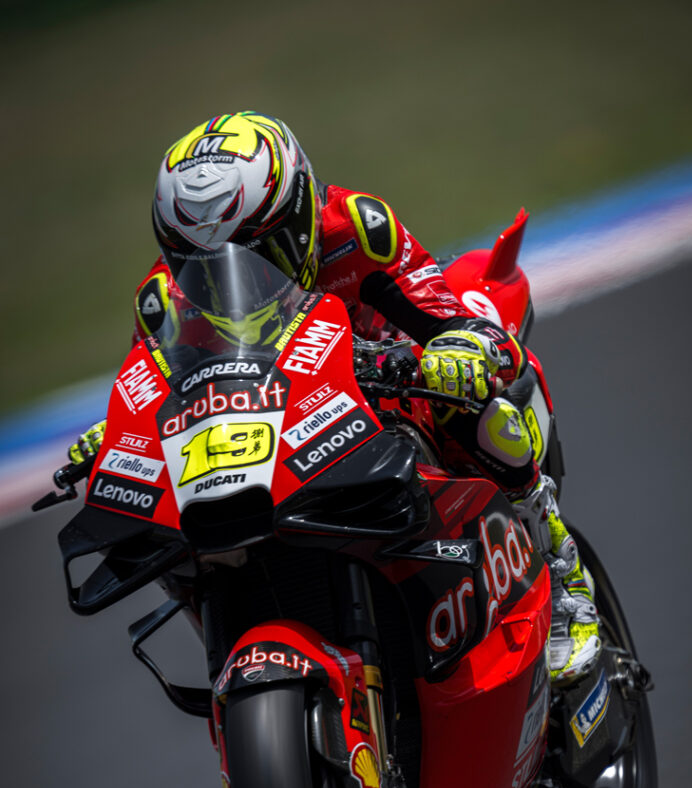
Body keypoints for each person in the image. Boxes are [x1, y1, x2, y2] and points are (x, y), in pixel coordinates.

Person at [70, 112, 600, 684]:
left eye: (257, 253)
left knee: (473, 404)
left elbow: (449, 318)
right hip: (275, 430)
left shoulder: (357, 229)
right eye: (197, 265)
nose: (225, 281)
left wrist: (459, 350)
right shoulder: (163, 299)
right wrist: (122, 433)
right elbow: (156, 384)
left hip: (383, 391)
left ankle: (558, 568)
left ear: (298, 217)